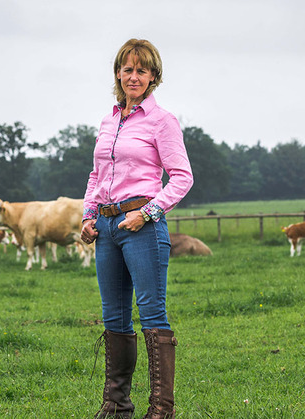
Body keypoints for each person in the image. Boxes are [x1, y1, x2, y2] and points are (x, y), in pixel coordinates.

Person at [81, 38, 193, 419]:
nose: (133, 76)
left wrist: (147, 213)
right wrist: (88, 215)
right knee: (113, 316)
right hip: (107, 227)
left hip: (141, 226)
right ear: (118, 73)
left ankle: (161, 409)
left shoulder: (162, 121)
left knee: (151, 313)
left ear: (153, 76)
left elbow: (181, 178)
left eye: (141, 70)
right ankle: (115, 405)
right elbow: (97, 174)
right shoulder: (109, 119)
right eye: (127, 69)